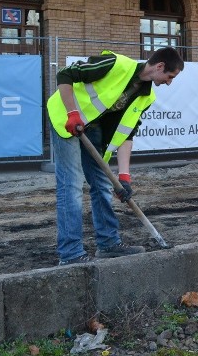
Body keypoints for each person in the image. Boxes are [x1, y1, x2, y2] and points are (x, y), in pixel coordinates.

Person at [47, 46, 184, 266]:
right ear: (159, 66)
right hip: (66, 118)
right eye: (170, 76)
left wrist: (124, 176)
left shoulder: (146, 97)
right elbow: (65, 74)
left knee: (102, 184)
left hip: (92, 127)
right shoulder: (116, 64)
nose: (169, 82)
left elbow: (127, 133)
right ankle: (70, 254)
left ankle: (108, 244)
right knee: (71, 185)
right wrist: (72, 113)